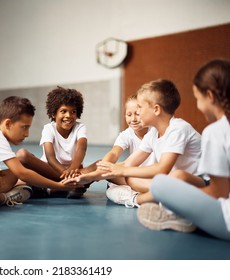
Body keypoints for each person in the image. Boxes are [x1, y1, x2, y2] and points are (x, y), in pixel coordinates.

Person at [66, 79, 202, 208]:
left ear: (156, 110)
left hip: (197, 181)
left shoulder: (177, 128)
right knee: (130, 178)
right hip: (169, 181)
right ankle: (152, 197)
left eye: (140, 108)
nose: (138, 114)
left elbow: (162, 168)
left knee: (176, 177)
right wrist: (91, 177)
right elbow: (128, 163)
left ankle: (136, 199)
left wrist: (121, 171)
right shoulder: (153, 133)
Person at [137, 59, 230, 240]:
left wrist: (179, 199)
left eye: (197, 98)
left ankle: (176, 215)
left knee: (160, 185)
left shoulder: (217, 131)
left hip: (226, 221)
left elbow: (219, 193)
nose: (198, 105)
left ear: (210, 96)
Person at [68, 93, 156, 187]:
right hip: (135, 173)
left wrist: (96, 175)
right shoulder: (126, 134)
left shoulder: (154, 131)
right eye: (129, 114)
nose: (133, 119)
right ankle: (85, 179)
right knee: (106, 170)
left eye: (137, 114)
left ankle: (145, 186)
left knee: (115, 173)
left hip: (154, 174)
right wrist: (100, 170)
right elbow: (114, 153)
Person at [16, 86, 88, 198]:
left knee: (101, 164)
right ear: (53, 114)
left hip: (74, 171)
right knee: (22, 155)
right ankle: (70, 185)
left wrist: (72, 169)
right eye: (63, 111)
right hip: (51, 170)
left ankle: (54, 186)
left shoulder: (80, 127)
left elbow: (81, 148)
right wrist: (66, 173)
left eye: (73, 112)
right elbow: (50, 158)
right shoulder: (48, 129)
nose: (68, 116)